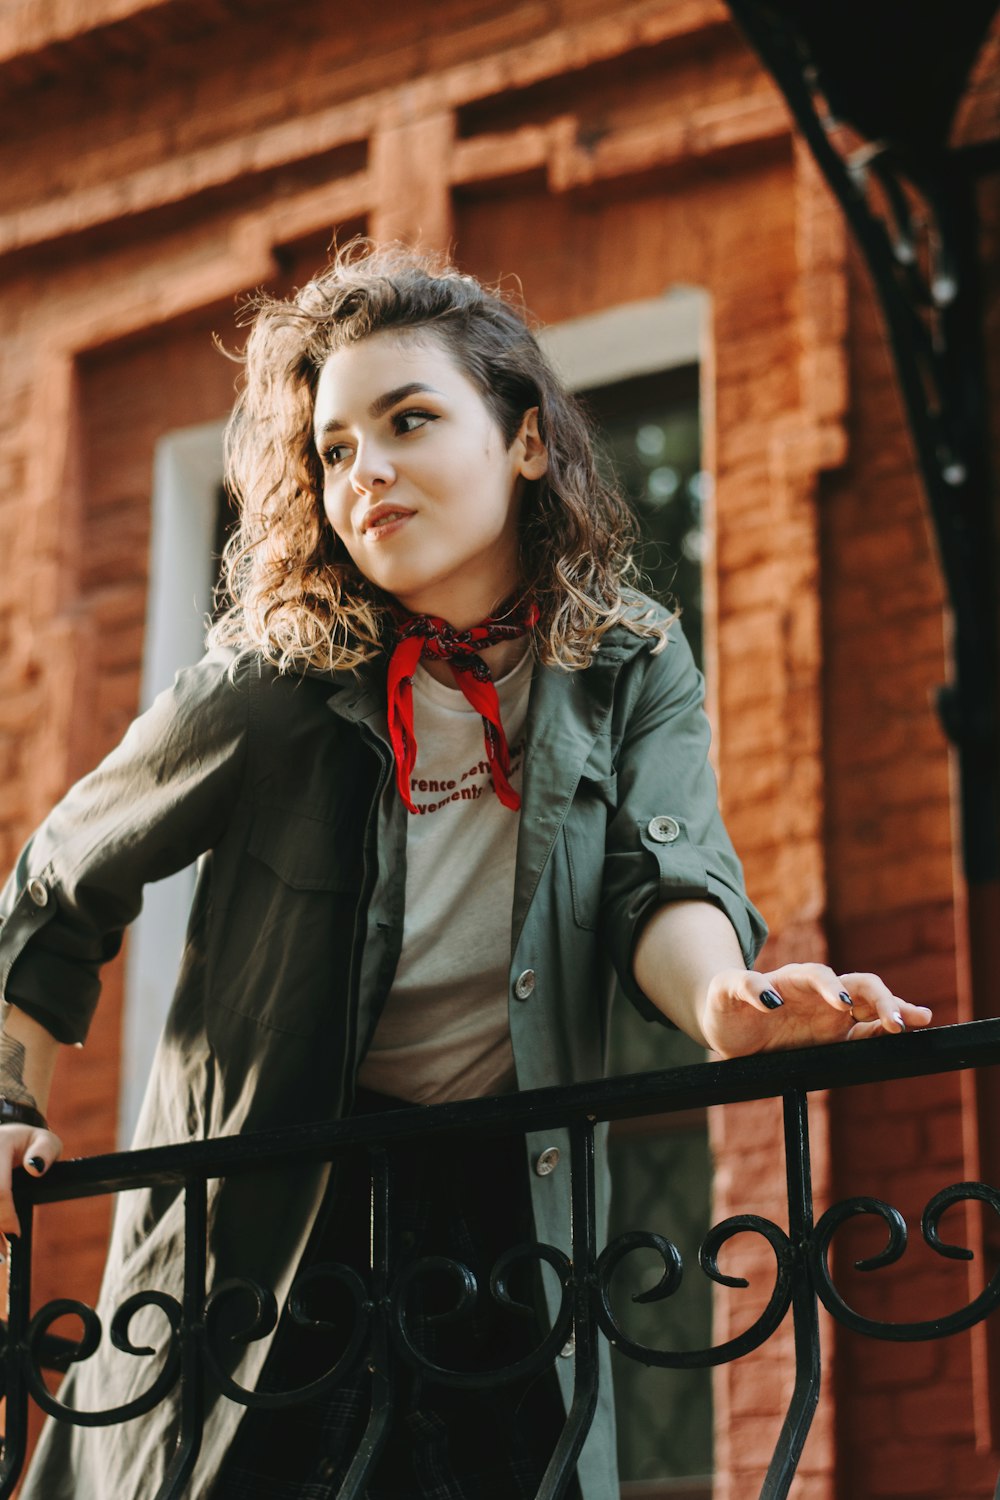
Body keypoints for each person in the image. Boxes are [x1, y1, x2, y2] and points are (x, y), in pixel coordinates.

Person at [0, 243, 932, 1500]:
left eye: (409, 419)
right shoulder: (269, 681)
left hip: (510, 1217)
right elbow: (60, 880)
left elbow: (660, 881)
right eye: (333, 448)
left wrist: (731, 1005)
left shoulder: (628, 662)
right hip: (273, 1241)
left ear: (528, 443)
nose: (365, 470)